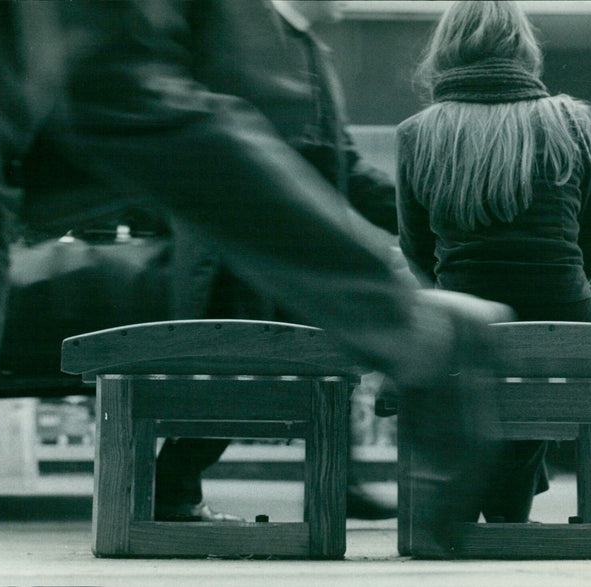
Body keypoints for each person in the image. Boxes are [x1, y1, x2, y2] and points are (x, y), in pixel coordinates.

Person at [0, 0, 512, 574]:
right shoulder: (287, 41)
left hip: (236, 256)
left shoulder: (299, 46)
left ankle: (416, 330)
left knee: (103, 92)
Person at [155, 0, 401, 522]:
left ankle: (337, 479)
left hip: (291, 253)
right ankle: (170, 489)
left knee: (329, 366)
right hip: (242, 253)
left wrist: (412, 213)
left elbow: (343, 164)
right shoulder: (246, 32)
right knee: (231, 378)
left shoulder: (311, 50)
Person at [395, 0, 591, 524]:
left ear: (444, 50)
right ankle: (507, 513)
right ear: (523, 47)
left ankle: (482, 506)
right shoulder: (571, 121)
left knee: (476, 366)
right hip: (563, 316)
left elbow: (417, 251)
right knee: (534, 366)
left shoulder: (416, 132)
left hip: (466, 321)